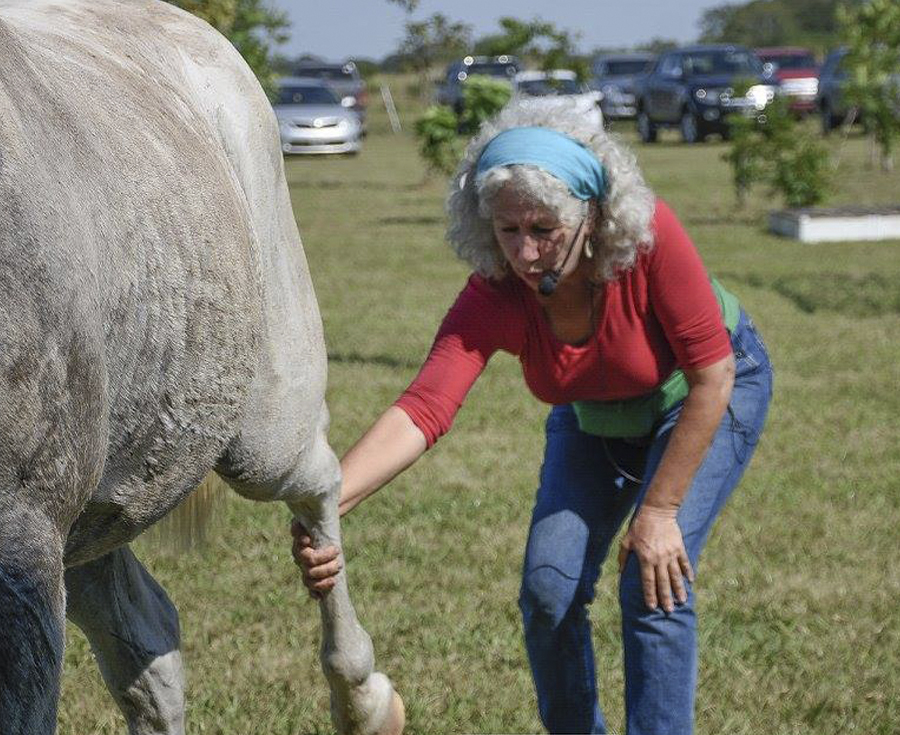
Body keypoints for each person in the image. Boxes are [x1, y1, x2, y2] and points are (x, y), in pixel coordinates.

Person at [292, 99, 773, 735]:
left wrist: (657, 516)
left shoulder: (650, 243)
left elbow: (714, 375)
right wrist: (328, 504)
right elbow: (424, 407)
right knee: (549, 590)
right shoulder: (494, 290)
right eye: (507, 229)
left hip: (702, 395)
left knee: (652, 578)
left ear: (591, 215)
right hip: (596, 415)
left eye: (543, 229)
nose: (523, 252)